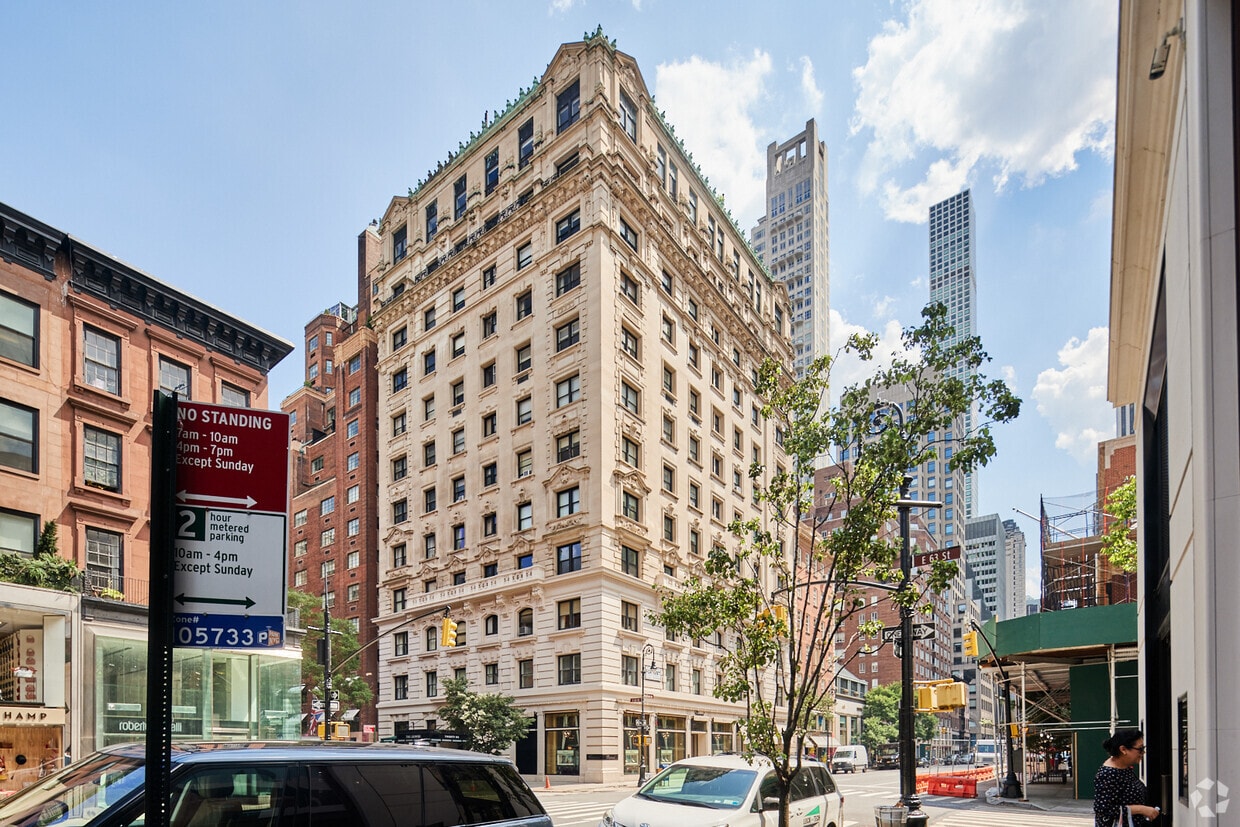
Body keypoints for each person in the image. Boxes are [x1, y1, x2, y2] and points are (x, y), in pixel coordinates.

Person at [1094, 729, 1160, 826]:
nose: (1143, 752)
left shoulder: (1125, 768)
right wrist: (1141, 809)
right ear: (1123, 749)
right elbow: (1104, 809)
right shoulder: (1107, 774)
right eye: (1140, 749)